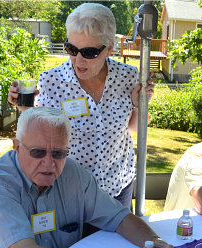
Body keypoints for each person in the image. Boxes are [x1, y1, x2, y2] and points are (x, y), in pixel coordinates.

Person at [0, 107, 175, 248]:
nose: (49, 163)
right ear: (17, 146)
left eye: (58, 153)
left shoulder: (74, 175)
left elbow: (119, 217)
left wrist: (155, 241)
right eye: (37, 152)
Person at [8, 3, 153, 208]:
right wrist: (24, 108)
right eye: (71, 49)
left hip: (117, 185)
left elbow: (134, 127)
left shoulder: (128, 77)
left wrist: (139, 105)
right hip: (70, 191)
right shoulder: (51, 81)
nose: (78, 61)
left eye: (90, 52)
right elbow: (39, 137)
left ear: (110, 48)